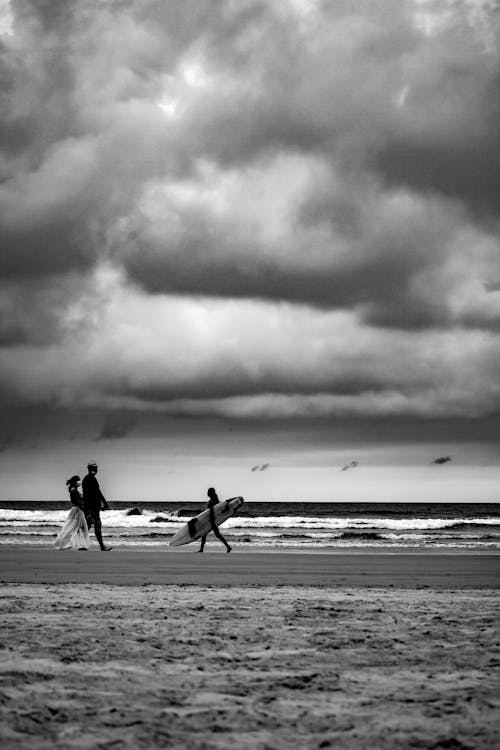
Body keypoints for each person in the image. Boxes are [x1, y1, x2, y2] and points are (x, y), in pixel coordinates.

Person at [82, 461, 112, 551]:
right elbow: (87, 495)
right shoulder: (90, 479)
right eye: (94, 468)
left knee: (87, 526)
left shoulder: (89, 479)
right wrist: (89, 509)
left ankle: (82, 545)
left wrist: (105, 503)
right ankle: (102, 546)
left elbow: (98, 492)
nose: (95, 469)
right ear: (90, 469)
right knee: (97, 525)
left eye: (96, 468)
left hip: (93, 507)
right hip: (92, 507)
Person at [54, 475, 90, 550]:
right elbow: (77, 501)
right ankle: (63, 543)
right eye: (78, 480)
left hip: (78, 510)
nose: (80, 482)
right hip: (77, 510)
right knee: (73, 528)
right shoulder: (74, 490)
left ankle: (81, 545)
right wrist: (84, 509)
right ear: (75, 482)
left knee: (80, 527)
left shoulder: (74, 490)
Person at [198, 487, 232, 553]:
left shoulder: (212, 501)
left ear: (210, 493)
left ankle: (228, 547)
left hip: (212, 521)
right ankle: (228, 547)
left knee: (214, 534)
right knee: (207, 534)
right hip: (212, 520)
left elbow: (212, 512)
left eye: (208, 492)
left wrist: (212, 522)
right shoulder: (215, 500)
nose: (207, 493)